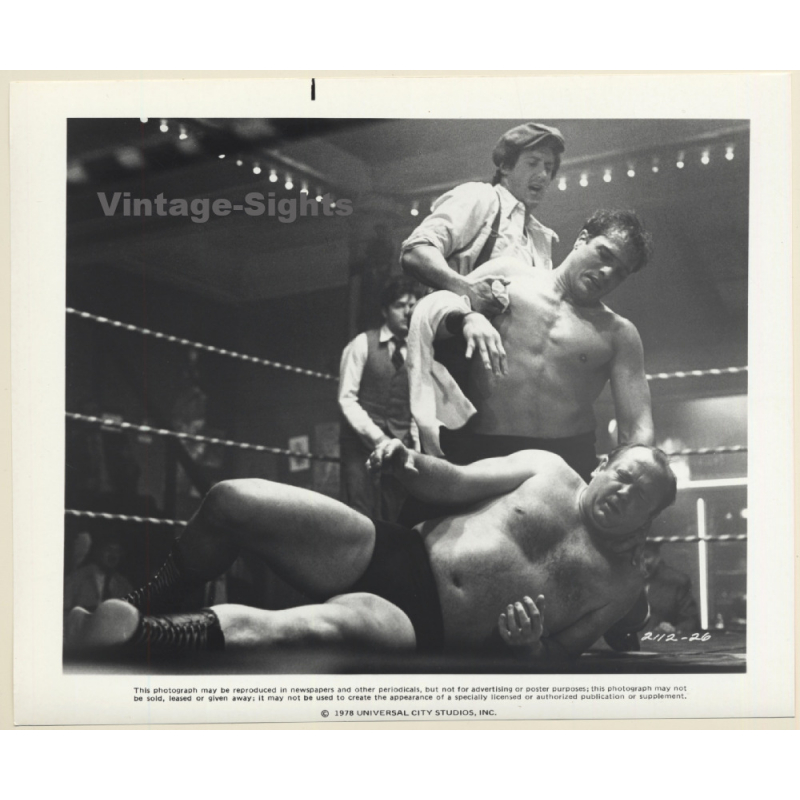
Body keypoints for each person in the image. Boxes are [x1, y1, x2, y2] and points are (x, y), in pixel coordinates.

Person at [65, 441, 677, 663]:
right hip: (391, 550)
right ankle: (134, 607)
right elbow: (454, 483)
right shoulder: (547, 468)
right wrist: (410, 463)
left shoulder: (621, 583)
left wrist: (530, 646)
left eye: (641, 497)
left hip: (420, 626)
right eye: (624, 476)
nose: (625, 494)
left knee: (296, 628)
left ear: (649, 518)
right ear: (604, 465)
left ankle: (140, 637)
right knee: (233, 499)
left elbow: (561, 656)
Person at [405, 208, 655, 650]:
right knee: (412, 544)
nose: (607, 273)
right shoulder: (508, 274)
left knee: (620, 601)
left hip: (567, 460)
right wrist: (470, 315)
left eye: (620, 271)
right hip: (481, 446)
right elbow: (438, 303)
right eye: (604, 255)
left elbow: (637, 427)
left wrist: (639, 502)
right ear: (582, 239)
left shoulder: (619, 333)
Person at [401, 122, 565, 316]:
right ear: (505, 166)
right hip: (460, 330)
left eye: (548, 167)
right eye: (532, 163)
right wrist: (467, 289)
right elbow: (415, 252)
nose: (543, 175)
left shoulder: (539, 238)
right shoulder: (481, 197)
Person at [338, 276, 421, 521]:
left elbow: (417, 403)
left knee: (397, 514)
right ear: (385, 311)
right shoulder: (362, 344)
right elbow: (347, 399)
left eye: (412, 306)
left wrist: (415, 445)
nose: (407, 312)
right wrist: (378, 437)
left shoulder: (418, 352)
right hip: (361, 443)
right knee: (361, 513)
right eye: (399, 306)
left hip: (400, 444)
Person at [640, 542, 700, 635]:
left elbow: (691, 621)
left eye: (646, 557)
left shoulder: (677, 581)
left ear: (658, 557)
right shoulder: (622, 581)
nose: (641, 563)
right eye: (636, 558)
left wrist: (673, 630)